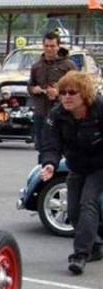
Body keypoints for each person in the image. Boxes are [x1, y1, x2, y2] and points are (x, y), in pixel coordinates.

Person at [40, 71, 103, 275]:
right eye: (63, 92)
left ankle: (80, 255)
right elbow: (50, 143)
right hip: (77, 165)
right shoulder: (56, 115)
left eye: (72, 92)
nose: (66, 96)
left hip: (100, 165)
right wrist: (49, 164)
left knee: (88, 203)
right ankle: (95, 246)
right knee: (73, 211)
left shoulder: (100, 109)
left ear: (84, 94)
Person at [27, 31, 76, 152]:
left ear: (58, 46)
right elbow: (30, 86)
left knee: (63, 146)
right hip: (41, 112)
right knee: (41, 147)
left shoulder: (69, 65)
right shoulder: (36, 66)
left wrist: (58, 92)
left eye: (52, 46)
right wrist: (34, 89)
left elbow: (77, 87)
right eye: (46, 46)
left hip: (62, 112)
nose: (49, 49)